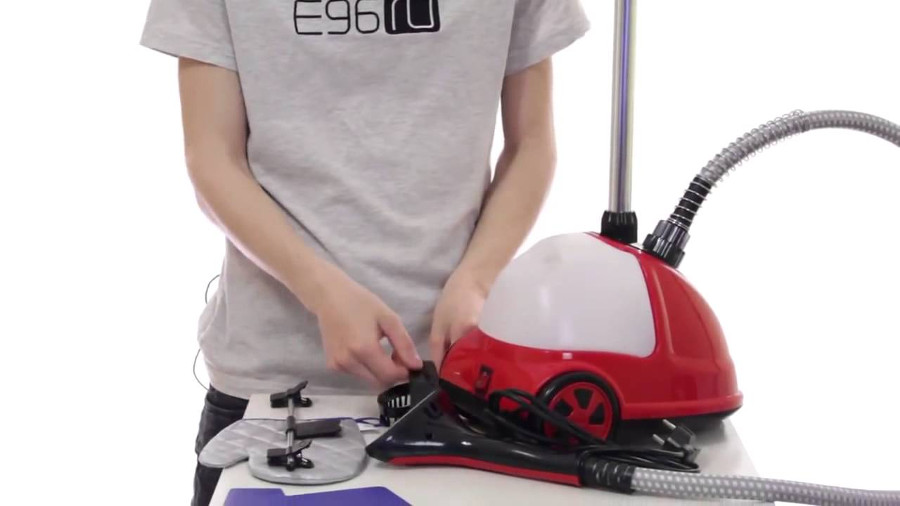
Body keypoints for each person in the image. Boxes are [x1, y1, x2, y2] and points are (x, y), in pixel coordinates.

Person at [141, 0, 589, 504]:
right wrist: (322, 292)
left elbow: (531, 144)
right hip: (274, 389)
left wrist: (477, 280)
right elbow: (212, 158)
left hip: (458, 382)